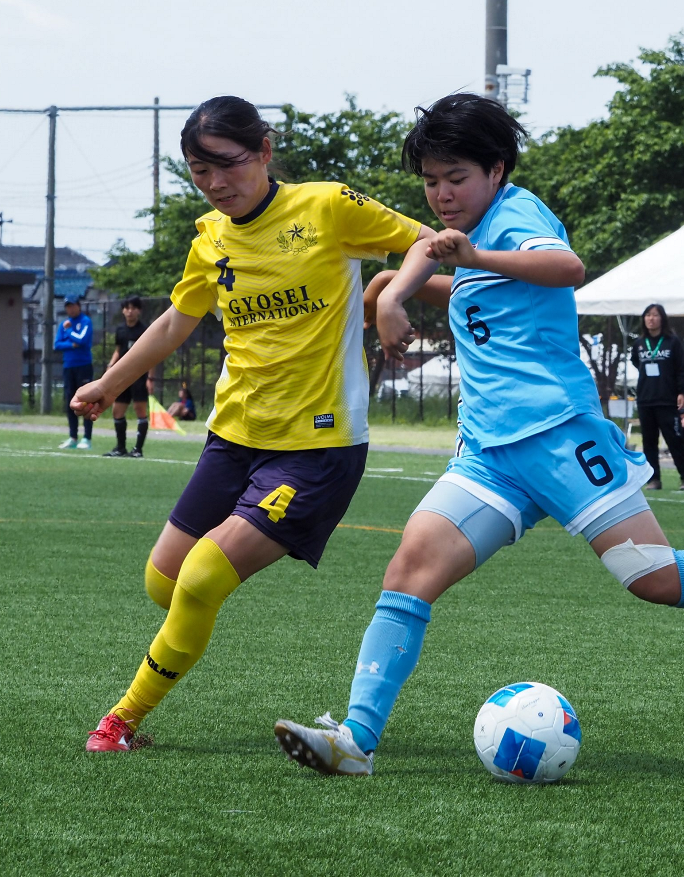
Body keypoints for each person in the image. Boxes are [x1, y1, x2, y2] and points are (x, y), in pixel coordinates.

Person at [271, 93, 684, 777]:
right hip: (490, 456)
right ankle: (355, 740)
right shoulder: (459, 238)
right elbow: (426, 257)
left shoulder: (517, 215)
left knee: (656, 580)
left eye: (457, 179)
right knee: (408, 572)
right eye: (430, 181)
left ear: (498, 170)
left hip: (562, 438)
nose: (442, 195)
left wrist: (472, 256)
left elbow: (567, 269)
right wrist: (392, 292)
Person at [76, 95, 431, 752]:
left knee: (205, 576)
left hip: (317, 448)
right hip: (232, 437)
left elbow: (424, 242)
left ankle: (121, 722)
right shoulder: (209, 236)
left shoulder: (327, 206)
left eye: (227, 166)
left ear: (265, 151)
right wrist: (109, 382)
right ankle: (181, 637)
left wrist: (390, 297)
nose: (215, 184)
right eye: (198, 171)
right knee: (166, 582)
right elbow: (177, 321)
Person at [632, 304, 684, 491]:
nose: (651, 319)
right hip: (645, 398)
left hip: (667, 399)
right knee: (649, 442)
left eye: (655, 315)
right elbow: (636, 361)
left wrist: (681, 391)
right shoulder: (639, 343)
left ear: (662, 318)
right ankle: (654, 479)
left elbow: (681, 368)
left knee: (674, 439)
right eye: (648, 315)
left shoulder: (672, 342)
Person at [104, 296, 150, 458]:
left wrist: (150, 378)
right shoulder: (121, 330)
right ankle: (120, 448)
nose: (130, 311)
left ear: (139, 310)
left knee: (140, 410)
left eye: (133, 308)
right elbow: (118, 349)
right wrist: (110, 367)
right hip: (122, 376)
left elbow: (151, 355)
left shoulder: (144, 331)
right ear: (123, 310)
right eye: (127, 308)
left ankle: (138, 449)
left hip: (138, 375)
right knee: (117, 411)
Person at [55, 296, 95, 450]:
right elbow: (57, 344)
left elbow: (82, 340)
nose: (70, 309)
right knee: (70, 402)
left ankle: (87, 438)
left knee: (86, 401)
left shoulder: (85, 321)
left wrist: (69, 331)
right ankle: (73, 437)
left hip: (83, 366)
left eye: (72, 305)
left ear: (78, 306)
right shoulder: (63, 324)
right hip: (68, 366)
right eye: (67, 306)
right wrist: (72, 344)